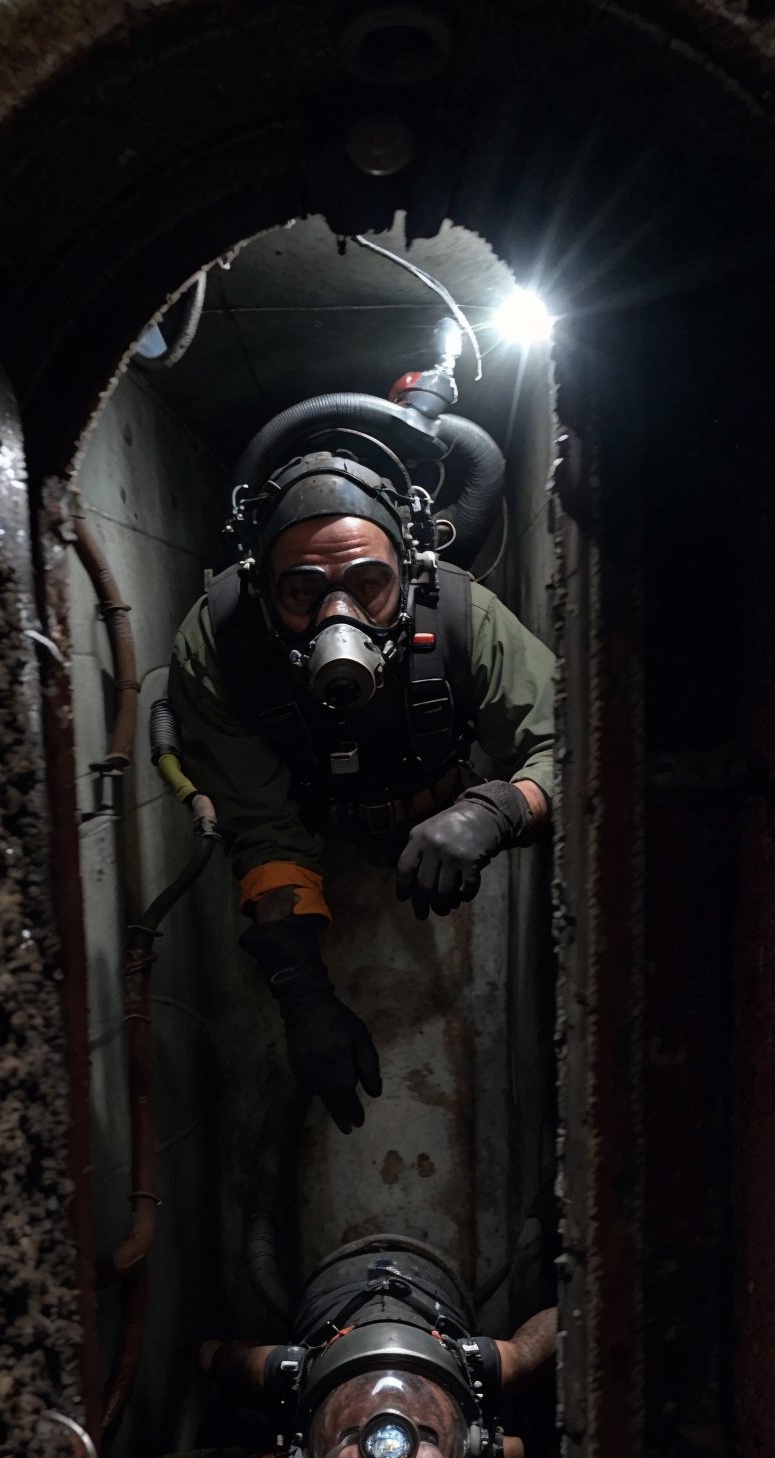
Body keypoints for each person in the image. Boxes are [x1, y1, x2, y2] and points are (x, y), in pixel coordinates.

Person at [167, 449, 555, 1132]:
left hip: (448, 852)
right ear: (262, 589)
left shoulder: (464, 616)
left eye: (368, 583)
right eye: (303, 591)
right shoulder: (221, 645)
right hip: (311, 847)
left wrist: (500, 809)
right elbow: (262, 827)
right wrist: (300, 992)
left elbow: (575, 740)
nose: (336, 616)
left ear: (408, 574)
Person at [199, 1235, 557, 1458]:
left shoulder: (285, 1371)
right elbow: (547, 1334)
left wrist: (218, 1359)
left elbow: (217, 1357)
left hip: (337, 1285)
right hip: (426, 1284)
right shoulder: (483, 1366)